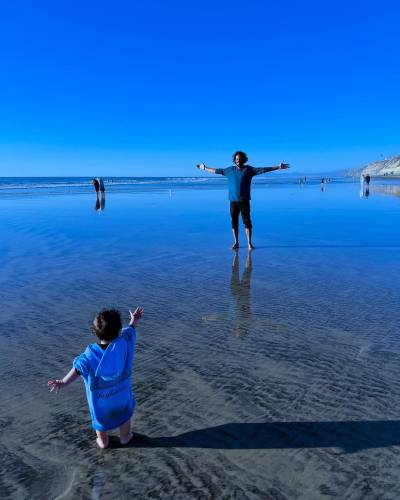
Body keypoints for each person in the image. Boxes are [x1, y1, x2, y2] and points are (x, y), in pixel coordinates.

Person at [48, 306, 144, 449]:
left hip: (101, 400)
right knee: (124, 415)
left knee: (100, 420)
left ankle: (103, 442)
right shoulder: (124, 343)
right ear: (118, 331)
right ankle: (125, 438)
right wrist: (133, 320)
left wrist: (63, 382)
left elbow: (78, 369)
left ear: (95, 332)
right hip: (122, 394)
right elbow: (130, 331)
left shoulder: (89, 356)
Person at [197, 151, 289, 249]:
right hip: (233, 201)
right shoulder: (229, 170)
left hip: (244, 200)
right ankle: (236, 243)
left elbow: (263, 169)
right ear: (234, 160)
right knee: (234, 222)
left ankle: (249, 243)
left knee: (247, 222)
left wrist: (278, 167)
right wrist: (205, 168)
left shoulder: (249, 170)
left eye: (240, 159)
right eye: (236, 159)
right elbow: (216, 171)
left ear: (243, 160)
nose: (238, 161)